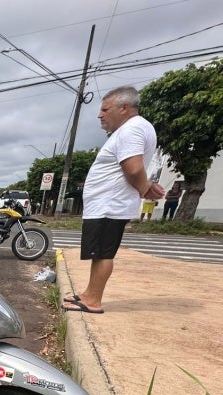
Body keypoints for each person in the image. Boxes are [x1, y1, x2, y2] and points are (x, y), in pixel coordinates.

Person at [62, 86, 165, 314]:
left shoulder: (132, 129)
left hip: (109, 204)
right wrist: (144, 187)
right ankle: (90, 293)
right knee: (99, 252)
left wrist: (144, 187)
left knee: (102, 252)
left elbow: (133, 167)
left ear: (124, 108)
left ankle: (93, 300)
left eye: (105, 109)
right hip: (109, 203)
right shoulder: (134, 129)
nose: (100, 115)